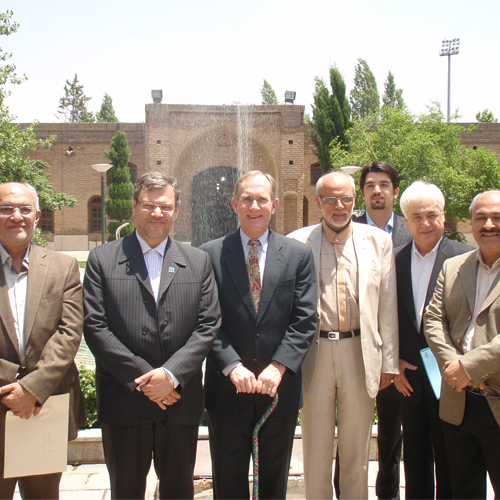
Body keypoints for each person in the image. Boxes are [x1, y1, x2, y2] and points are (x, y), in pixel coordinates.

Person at [83, 172, 220, 500]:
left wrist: (171, 375)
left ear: (176, 210)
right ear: (134, 207)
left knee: (178, 492)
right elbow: (95, 326)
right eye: (148, 205)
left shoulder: (197, 262)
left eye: (165, 206)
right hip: (124, 402)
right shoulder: (102, 260)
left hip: (179, 404)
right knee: (126, 491)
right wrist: (145, 380)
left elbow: (208, 324)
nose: (157, 213)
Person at [201, 170, 317, 500]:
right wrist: (231, 365)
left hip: (277, 391)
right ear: (235, 204)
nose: (255, 206)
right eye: (247, 199)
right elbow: (206, 320)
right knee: (228, 480)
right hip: (228, 389)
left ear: (274, 204)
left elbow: (305, 318)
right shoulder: (209, 255)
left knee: (273, 480)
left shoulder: (297, 255)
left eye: (262, 199)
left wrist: (279, 366)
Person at [288, 171, 398, 500]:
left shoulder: (378, 241)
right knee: (316, 450)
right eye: (331, 199)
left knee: (357, 453)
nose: (339, 206)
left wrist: (388, 362)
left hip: (360, 352)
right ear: (318, 201)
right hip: (315, 354)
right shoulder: (297, 243)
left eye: (346, 199)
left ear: (355, 200)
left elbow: (387, 306)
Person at [0, 182, 85, 499]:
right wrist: (13, 383)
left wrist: (33, 389)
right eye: (6, 208)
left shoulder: (62, 267)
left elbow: (70, 332)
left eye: (24, 209)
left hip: (45, 406)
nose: (16, 216)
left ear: (36, 216)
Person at [393, 181, 472, 499]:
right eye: (416, 217)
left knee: (454, 461)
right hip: (408, 376)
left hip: (452, 378)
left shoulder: (466, 258)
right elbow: (387, 318)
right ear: (406, 221)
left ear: (443, 215)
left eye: (432, 215)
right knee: (414, 461)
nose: (425, 223)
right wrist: (392, 361)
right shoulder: (393, 261)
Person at [424, 189, 500, 500]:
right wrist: (453, 366)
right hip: (458, 404)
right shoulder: (454, 267)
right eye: (481, 217)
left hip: (496, 400)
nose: (489, 224)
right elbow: (432, 320)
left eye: (496, 217)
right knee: (463, 491)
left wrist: (468, 367)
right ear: (470, 223)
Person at [351, 161, 412, 500]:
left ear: (395, 191)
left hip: (395, 355)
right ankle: (345, 491)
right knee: (349, 432)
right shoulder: (346, 227)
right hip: (353, 350)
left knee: (392, 432)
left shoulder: (410, 231)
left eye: (384, 185)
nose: (377, 190)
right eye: (371, 185)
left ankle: (387, 492)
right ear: (363, 192)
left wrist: (397, 356)